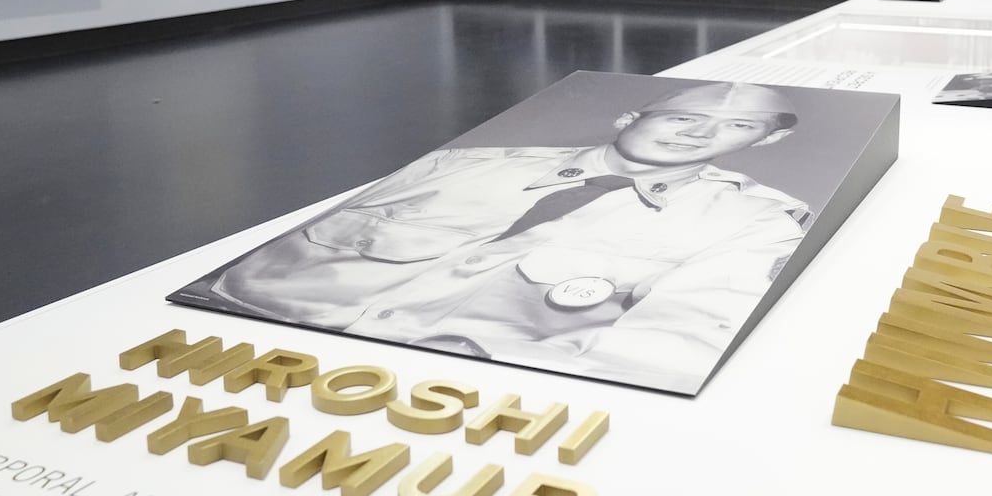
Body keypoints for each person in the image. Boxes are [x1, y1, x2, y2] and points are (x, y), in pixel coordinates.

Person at [201, 82, 810, 392]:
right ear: (630, 116)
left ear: (762, 141)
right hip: (237, 340)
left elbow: (680, 337)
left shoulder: (751, 223)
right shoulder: (460, 165)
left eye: (735, 126)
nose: (698, 137)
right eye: (683, 117)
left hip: (466, 393)